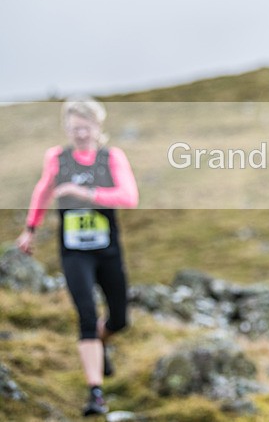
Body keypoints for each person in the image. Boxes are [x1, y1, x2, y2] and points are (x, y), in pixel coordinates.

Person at [16, 97, 139, 417]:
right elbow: (43, 191)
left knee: (120, 319)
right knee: (86, 315)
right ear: (66, 128)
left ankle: (102, 342)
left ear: (98, 127)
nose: (80, 134)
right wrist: (30, 228)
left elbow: (129, 197)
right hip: (74, 253)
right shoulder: (57, 158)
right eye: (74, 128)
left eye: (85, 128)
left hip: (108, 251)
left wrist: (86, 193)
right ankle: (95, 394)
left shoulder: (111, 158)